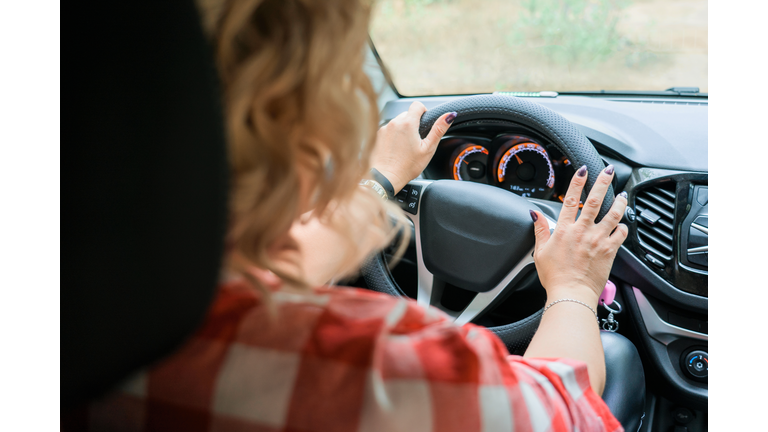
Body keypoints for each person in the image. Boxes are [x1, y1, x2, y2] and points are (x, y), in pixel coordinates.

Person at [83, 0, 629, 430]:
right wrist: (575, 286)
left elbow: (265, 269)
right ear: (295, 125)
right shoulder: (379, 369)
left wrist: (380, 182)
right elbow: (568, 407)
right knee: (618, 357)